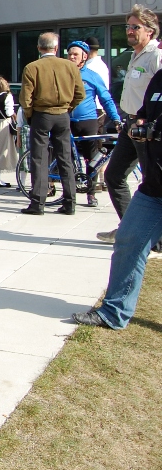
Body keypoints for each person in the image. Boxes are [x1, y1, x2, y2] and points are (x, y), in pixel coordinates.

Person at [72, 64, 162, 329]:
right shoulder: (159, 79)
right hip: (154, 186)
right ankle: (114, 312)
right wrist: (141, 123)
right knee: (128, 240)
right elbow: (144, 113)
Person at [98, 5, 162, 242]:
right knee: (114, 175)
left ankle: (153, 239)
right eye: (128, 26)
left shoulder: (156, 55)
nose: (130, 30)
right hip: (130, 126)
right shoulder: (134, 55)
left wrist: (152, 124)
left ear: (150, 31)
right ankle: (129, 230)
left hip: (148, 129)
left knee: (152, 185)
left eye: (135, 27)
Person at [18, 32, 84, 215]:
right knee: (65, 158)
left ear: (39, 48)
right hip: (63, 114)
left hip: (41, 114)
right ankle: (70, 203)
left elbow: (25, 98)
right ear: (56, 48)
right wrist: (68, 107)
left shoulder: (32, 67)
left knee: (39, 159)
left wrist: (30, 115)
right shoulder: (70, 67)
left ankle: (37, 203)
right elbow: (80, 93)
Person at [67, 41, 120, 207]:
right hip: (66, 121)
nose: (72, 57)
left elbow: (106, 99)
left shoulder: (92, 76)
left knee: (92, 158)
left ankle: (91, 193)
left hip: (88, 121)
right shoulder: (62, 74)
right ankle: (68, 195)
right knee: (65, 158)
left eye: (75, 54)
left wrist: (116, 118)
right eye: (69, 54)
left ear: (84, 56)